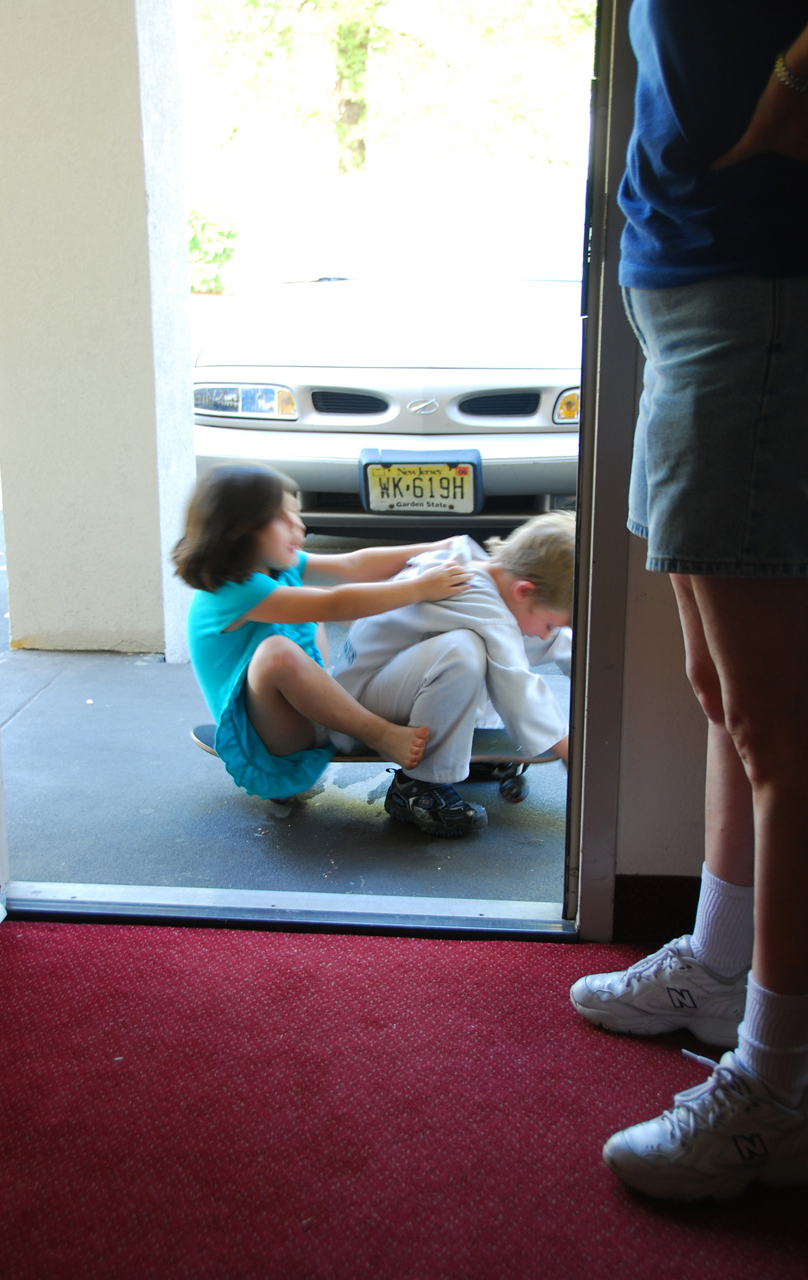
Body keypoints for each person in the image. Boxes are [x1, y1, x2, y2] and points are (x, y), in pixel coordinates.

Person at [569, 2, 808, 1201]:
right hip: (683, 285)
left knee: (782, 728)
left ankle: (780, 1079)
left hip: (750, 287)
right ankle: (720, 964)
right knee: (720, 694)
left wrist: (775, 104)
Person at [173, 464, 471, 801]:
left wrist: (435, 548)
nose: (298, 526)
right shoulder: (233, 592)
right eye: (283, 518)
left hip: (305, 710)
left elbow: (352, 566)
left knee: (313, 613)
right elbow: (334, 603)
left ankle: (345, 702)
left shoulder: (278, 567)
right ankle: (379, 733)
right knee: (279, 651)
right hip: (273, 744)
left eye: (297, 515)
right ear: (239, 528)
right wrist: (419, 589)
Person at [331, 513, 574, 837]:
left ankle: (461, 754)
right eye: (551, 624)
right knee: (464, 652)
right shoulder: (479, 600)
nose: (548, 635)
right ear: (523, 590)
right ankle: (419, 787)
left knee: (504, 638)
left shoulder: (475, 564)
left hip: (383, 681)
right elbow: (517, 688)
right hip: (357, 705)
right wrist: (569, 752)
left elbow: (561, 643)